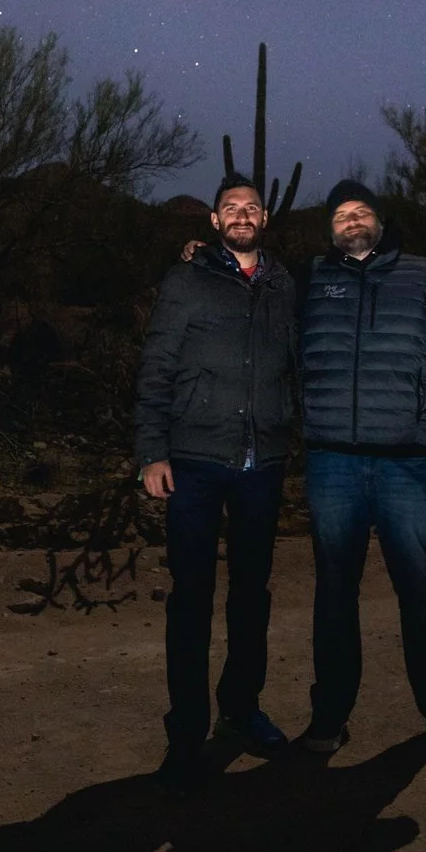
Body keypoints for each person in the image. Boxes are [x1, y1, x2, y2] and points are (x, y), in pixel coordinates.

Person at [294, 177, 426, 766]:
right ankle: (330, 714)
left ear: (380, 220)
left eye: (361, 212)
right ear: (329, 229)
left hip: (408, 463)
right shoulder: (309, 279)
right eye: (340, 216)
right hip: (332, 461)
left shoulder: (424, 276)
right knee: (334, 593)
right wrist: (200, 252)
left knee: (420, 591)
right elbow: (247, 283)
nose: (351, 221)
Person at [134, 174, 299, 794]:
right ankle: (186, 732)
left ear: (265, 217)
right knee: (192, 597)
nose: (242, 215)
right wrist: (151, 452)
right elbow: (157, 366)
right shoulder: (187, 280)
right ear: (214, 220)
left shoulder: (284, 284)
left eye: (251, 207)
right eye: (231, 207)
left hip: (263, 463)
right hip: (195, 461)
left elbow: (297, 363)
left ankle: (241, 708)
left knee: (252, 594)